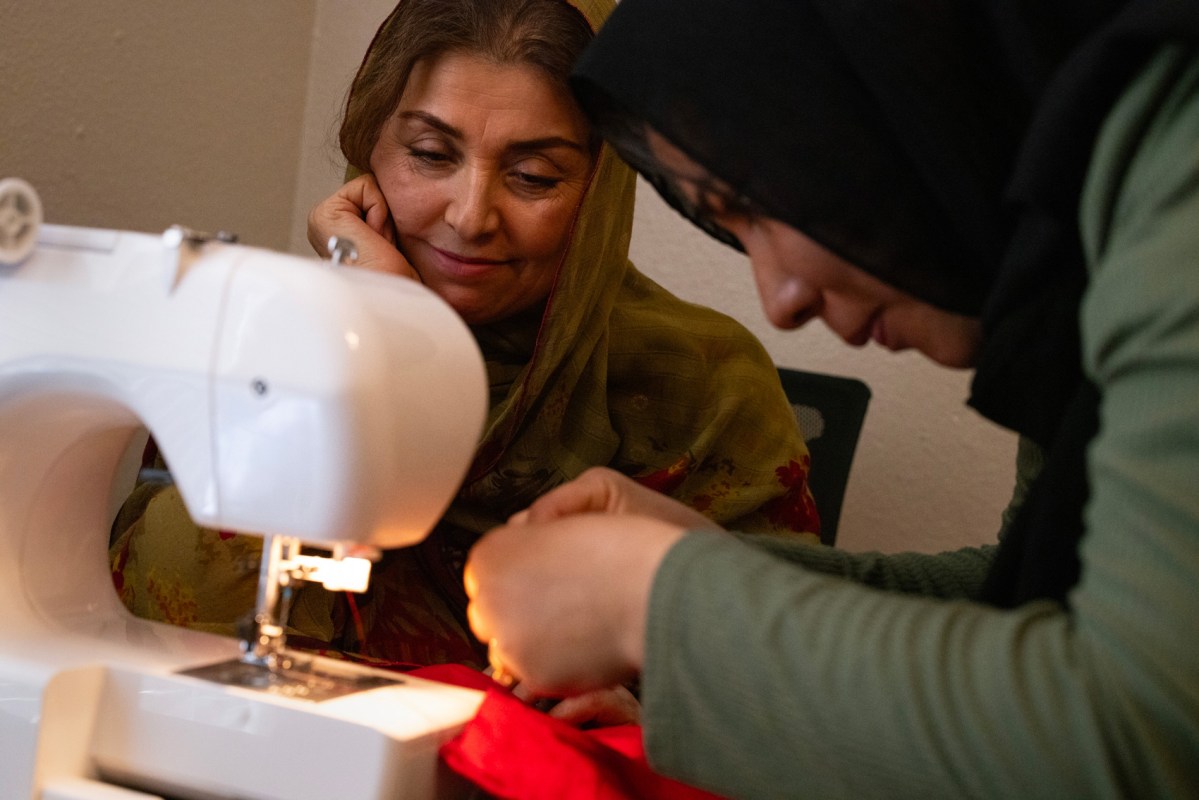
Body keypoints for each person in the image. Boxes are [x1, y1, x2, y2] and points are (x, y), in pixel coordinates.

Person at [463, 0, 1199, 795]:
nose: (780, 300)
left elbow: (1134, 733)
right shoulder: (1075, 263)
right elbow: (1018, 602)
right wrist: (709, 565)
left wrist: (655, 603)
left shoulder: (1181, 186)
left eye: (753, 203)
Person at [110, 0, 819, 683]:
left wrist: (649, 716)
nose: (472, 216)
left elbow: (777, 674)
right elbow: (162, 584)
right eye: (429, 153)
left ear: (602, 191)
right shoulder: (272, 337)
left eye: (533, 176)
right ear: (368, 152)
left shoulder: (707, 386)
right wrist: (384, 325)